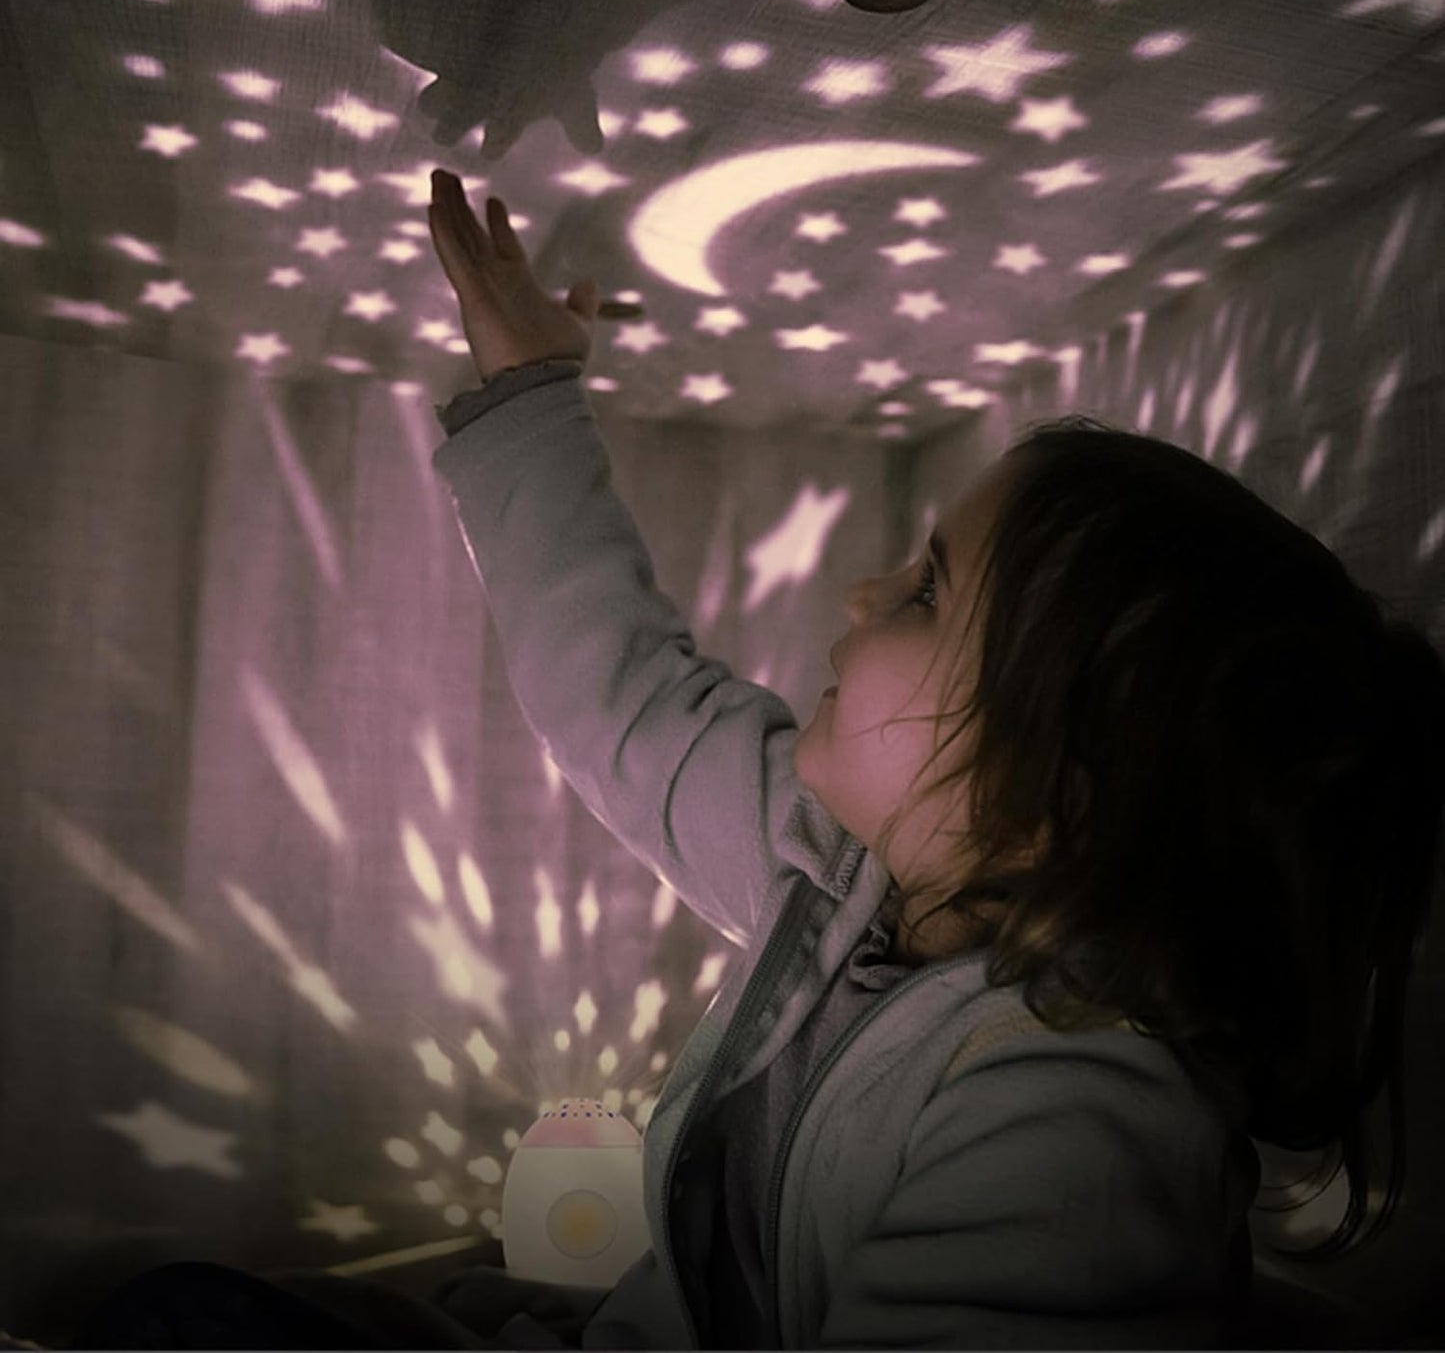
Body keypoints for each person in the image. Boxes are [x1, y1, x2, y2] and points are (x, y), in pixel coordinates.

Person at [70, 169, 1445, 1350]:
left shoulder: (1078, 1121)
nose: (861, 593)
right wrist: (530, 388)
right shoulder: (843, 873)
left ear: (1048, 793)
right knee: (173, 1307)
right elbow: (616, 693)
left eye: (926, 591)